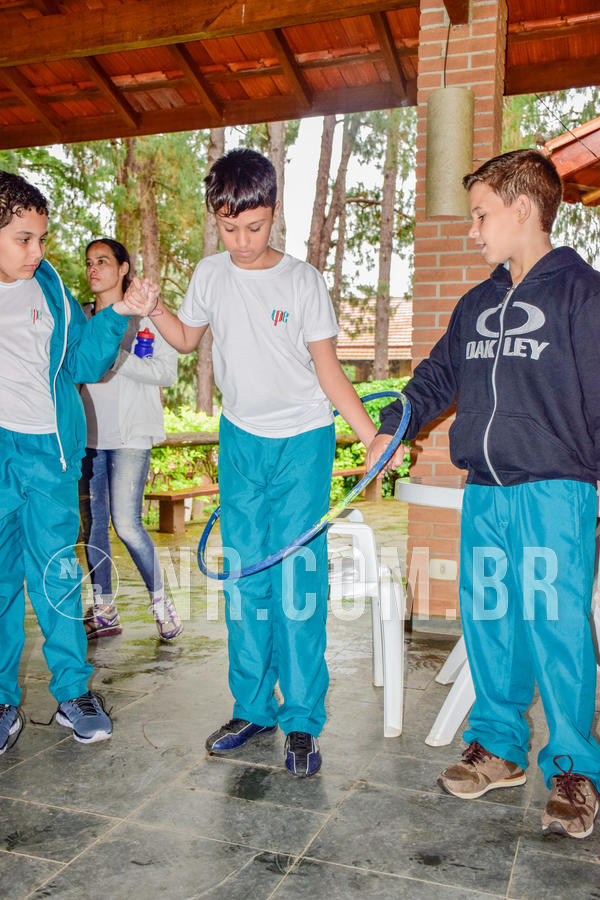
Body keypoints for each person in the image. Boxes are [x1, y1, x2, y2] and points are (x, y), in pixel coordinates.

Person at [368, 149, 600, 839]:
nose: (473, 230)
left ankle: (574, 770)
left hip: (558, 490)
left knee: (557, 630)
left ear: (523, 209)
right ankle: (499, 748)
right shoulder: (476, 305)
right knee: (491, 619)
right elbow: (437, 380)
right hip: (487, 492)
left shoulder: (583, 295)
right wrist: (394, 427)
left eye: (481, 215)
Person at [148, 147, 377, 777]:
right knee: (247, 579)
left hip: (303, 441)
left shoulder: (301, 281)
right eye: (228, 228)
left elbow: (328, 370)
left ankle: (302, 718)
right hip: (240, 439)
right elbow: (188, 338)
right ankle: (253, 706)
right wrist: (152, 308)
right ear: (215, 218)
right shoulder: (209, 274)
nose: (242, 241)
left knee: (298, 581)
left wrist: (369, 437)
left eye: (253, 227)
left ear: (273, 212)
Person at [0, 171, 158, 752]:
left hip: (48, 452)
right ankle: (2, 702)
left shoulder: (51, 294)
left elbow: (87, 362)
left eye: (41, 238)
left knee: (57, 578)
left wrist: (121, 313)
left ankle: (72, 692)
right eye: (24, 239)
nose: (38, 251)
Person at [78, 238, 182, 642]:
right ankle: (103, 608)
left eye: (102, 261)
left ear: (123, 269)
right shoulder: (81, 319)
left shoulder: (147, 316)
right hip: (87, 436)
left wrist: (114, 356)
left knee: (127, 524)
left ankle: (161, 602)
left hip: (131, 436)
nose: (93, 269)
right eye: (89, 262)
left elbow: (166, 373)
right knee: (94, 529)